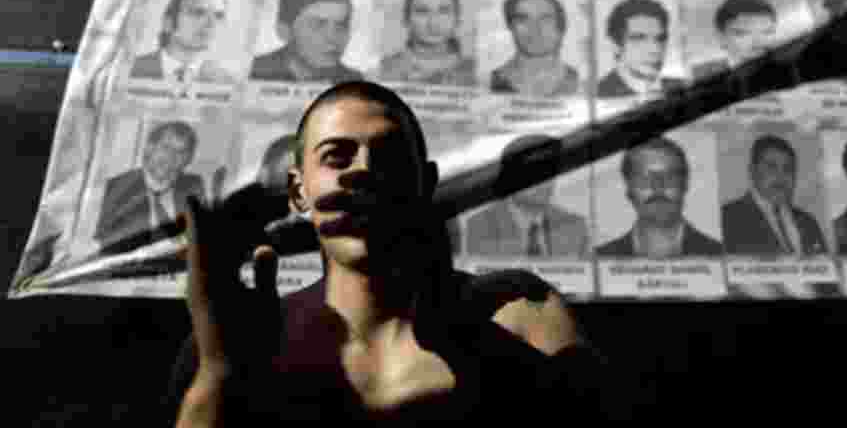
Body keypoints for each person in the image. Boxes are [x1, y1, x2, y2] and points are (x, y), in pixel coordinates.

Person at [169, 81, 620, 425]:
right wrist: (219, 375)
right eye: (337, 157)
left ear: (424, 182)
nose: (363, 172)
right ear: (298, 191)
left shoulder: (518, 312)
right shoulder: (235, 338)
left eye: (388, 156)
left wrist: (471, 343)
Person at [595, 137, 722, 258]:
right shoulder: (597, 258)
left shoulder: (722, 255)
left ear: (685, 185)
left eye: (670, 176)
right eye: (644, 178)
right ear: (628, 190)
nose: (658, 187)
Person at [465, 135, 589, 258]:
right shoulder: (480, 227)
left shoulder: (575, 226)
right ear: (510, 179)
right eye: (531, 173)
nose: (543, 182)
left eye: (548, 171)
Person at [96, 121, 205, 256]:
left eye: (181, 152)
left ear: (188, 159)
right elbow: (104, 244)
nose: (171, 157)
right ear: (149, 148)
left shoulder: (195, 187)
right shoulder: (115, 188)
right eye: (166, 147)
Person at [721, 135, 828, 256]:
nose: (781, 177)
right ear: (752, 171)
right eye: (771, 167)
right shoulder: (727, 219)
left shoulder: (809, 223)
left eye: (788, 169)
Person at [249, 0, 364, 83]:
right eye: (318, 25)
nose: (332, 37)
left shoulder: (353, 81)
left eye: (341, 26)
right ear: (284, 31)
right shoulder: (252, 73)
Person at [378, 0, 476, 86]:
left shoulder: (474, 72)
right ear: (406, 18)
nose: (433, 23)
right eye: (422, 11)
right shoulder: (384, 71)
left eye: (444, 11)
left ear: (457, 18)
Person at [131, 0, 236, 84]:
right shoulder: (131, 69)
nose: (211, 23)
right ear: (168, 22)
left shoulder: (226, 82)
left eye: (219, 15)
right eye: (198, 13)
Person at [490, 0, 580, 97]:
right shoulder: (488, 83)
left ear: (560, 28)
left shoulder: (582, 84)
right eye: (523, 20)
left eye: (545, 20)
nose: (535, 29)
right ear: (510, 26)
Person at [596, 0, 684, 97]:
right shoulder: (597, 95)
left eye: (660, 39)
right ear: (616, 45)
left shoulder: (682, 87)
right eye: (639, 39)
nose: (655, 49)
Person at [690, 0, 776, 81]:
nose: (758, 41)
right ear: (721, 38)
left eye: (767, 32)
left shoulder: (785, 71)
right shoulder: (702, 76)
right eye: (743, 33)